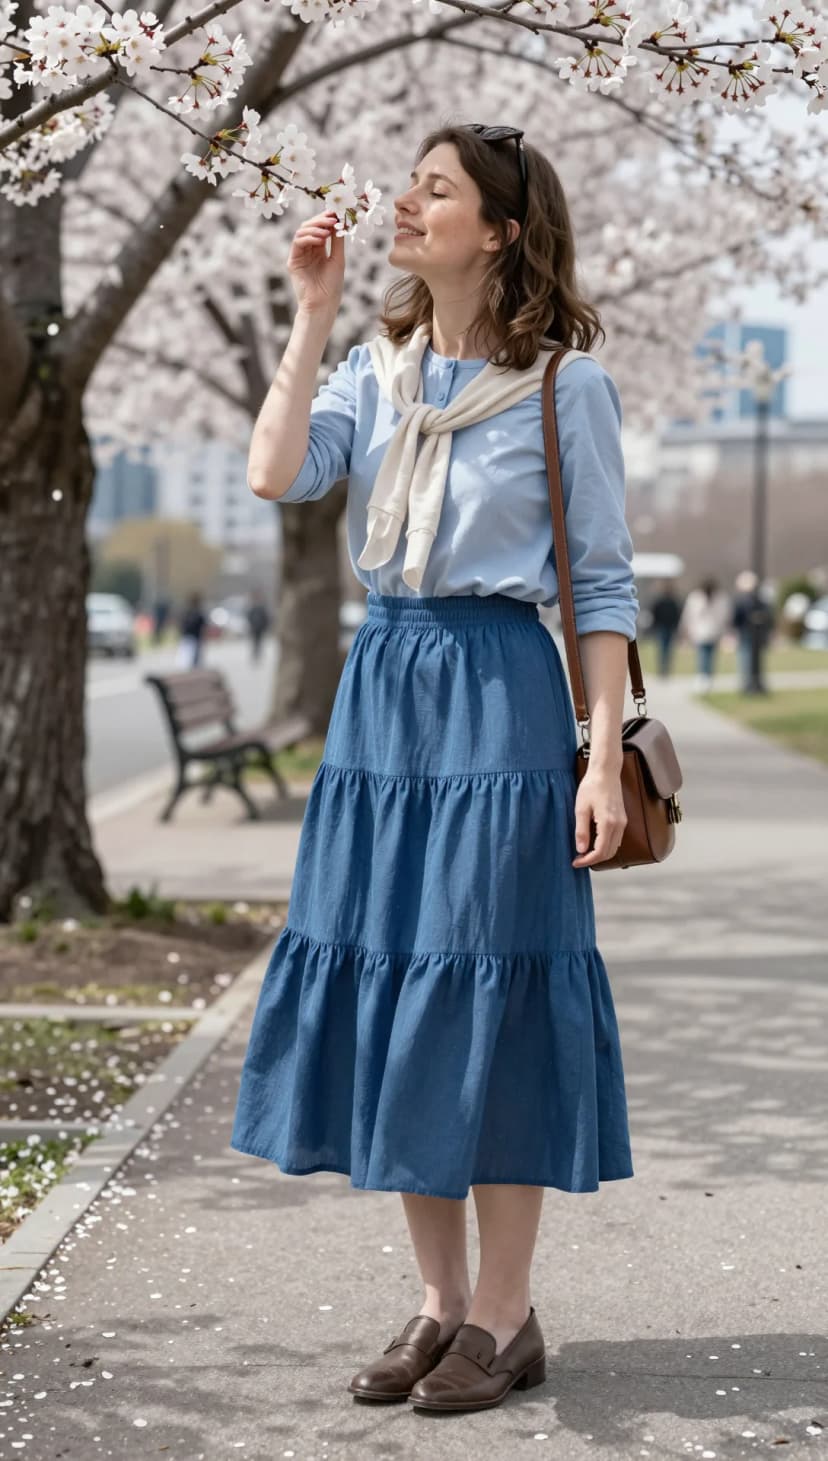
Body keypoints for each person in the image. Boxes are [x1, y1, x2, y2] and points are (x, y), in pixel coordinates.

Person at [231, 124, 639, 1413]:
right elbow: (275, 473)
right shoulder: (378, 371)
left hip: (500, 703)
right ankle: (438, 1302)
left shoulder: (565, 387)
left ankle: (506, 1316)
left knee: (493, 984)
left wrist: (601, 763)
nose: (404, 204)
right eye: (408, 185)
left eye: (436, 189)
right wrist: (312, 317)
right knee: (400, 982)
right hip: (384, 704)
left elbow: (601, 590)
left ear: (502, 230)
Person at [678, 576, 732, 692]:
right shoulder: (698, 598)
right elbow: (689, 615)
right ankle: (705, 677)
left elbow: (688, 615)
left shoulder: (716, 598)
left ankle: (705, 677)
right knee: (706, 655)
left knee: (705, 655)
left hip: (708, 631)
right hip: (705, 632)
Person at [732, 569, 774, 693]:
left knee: (752, 658)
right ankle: (747, 682)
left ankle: (753, 681)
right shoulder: (743, 601)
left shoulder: (759, 600)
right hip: (746, 633)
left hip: (755, 634)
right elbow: (737, 618)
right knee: (745, 658)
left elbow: (767, 616)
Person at [648, 579, 683, 678]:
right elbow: (654, 614)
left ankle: (665, 669)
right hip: (662, 628)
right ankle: (662, 669)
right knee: (663, 649)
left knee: (666, 650)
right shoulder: (661, 601)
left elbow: (677, 615)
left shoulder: (673, 602)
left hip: (669, 628)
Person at [177, 592, 206, 669]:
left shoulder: (196, 614)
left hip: (193, 638)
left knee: (192, 661)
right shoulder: (190, 613)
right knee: (188, 660)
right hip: (191, 638)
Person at [246, 590, 271, 662]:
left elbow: (266, 618)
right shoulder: (252, 607)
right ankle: (255, 654)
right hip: (254, 628)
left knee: (259, 641)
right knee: (255, 642)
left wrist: (265, 626)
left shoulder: (261, 607)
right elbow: (249, 616)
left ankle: (258, 653)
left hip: (260, 628)